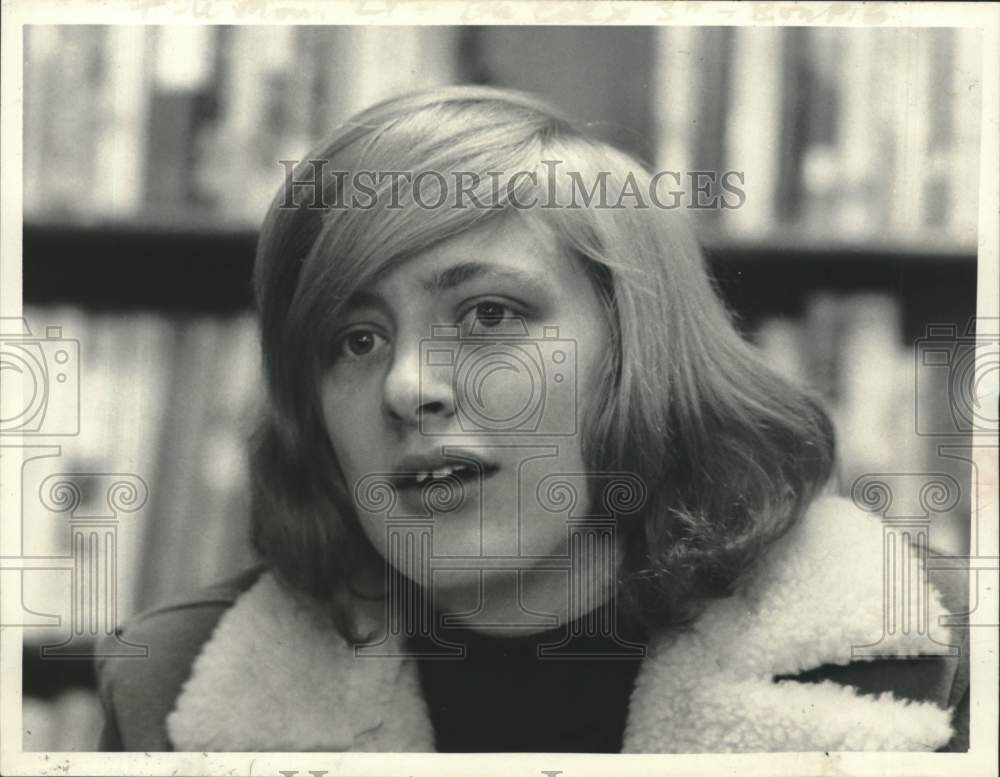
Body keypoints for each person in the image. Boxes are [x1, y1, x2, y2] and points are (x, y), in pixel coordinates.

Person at [95, 85, 968, 753]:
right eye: (353, 339)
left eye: (488, 315)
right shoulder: (171, 685)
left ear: (636, 350)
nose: (409, 385)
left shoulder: (949, 650)